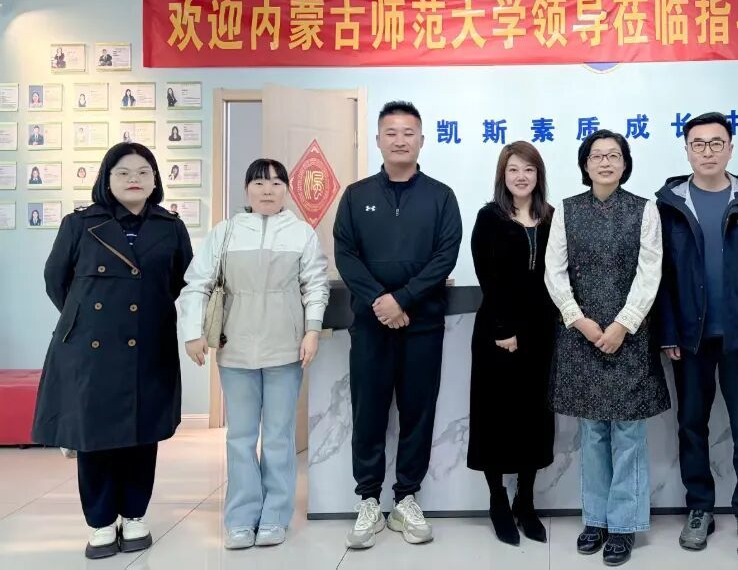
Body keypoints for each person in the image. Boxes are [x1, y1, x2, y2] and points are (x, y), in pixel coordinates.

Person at [31, 142, 193, 560]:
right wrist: (89, 321)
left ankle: (135, 515)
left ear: (155, 180)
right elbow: (56, 281)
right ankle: (101, 521)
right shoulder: (80, 224)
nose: (133, 179)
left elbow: (180, 281)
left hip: (149, 342)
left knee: (143, 433)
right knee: (94, 436)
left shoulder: (171, 227)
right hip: (91, 348)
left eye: (143, 172)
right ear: (106, 179)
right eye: (123, 172)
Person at [655, 111, 738, 561]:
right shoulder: (669, 204)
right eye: (698, 144)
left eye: (717, 143)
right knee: (691, 427)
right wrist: (668, 331)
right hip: (690, 339)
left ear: (731, 149)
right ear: (687, 150)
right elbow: (661, 277)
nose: (708, 151)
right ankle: (700, 508)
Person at [178, 158, 329, 550]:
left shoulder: (300, 233)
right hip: (236, 348)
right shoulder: (226, 232)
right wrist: (192, 333)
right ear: (246, 189)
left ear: (287, 190)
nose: (268, 190)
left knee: (278, 437)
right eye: (259, 182)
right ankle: (241, 518)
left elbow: (315, 285)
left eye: (277, 183)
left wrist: (312, 331)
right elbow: (197, 283)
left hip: (285, 348)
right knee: (241, 437)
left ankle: (275, 516)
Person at [334, 101, 462, 550]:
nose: (400, 140)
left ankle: (407, 497)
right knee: (367, 411)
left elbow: (445, 255)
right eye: (391, 132)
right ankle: (368, 500)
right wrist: (380, 302)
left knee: (417, 412)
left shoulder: (441, 196)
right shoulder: (356, 196)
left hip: (422, 324)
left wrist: (403, 299)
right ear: (378, 140)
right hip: (371, 326)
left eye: (409, 133)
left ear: (422, 140)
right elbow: (346, 254)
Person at [545, 129, 669, 567]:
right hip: (580, 334)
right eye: (596, 156)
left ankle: (624, 525)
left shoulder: (644, 209)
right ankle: (595, 520)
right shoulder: (566, 210)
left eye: (614, 155)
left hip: (628, 337)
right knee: (593, 432)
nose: (605, 162)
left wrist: (623, 323)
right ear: (585, 164)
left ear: (625, 163)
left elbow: (650, 272)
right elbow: (554, 271)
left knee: (628, 433)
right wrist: (577, 318)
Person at [468, 141, 556, 546]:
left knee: (533, 418)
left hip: (541, 333)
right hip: (497, 332)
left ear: (539, 175)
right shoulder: (489, 217)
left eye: (529, 170)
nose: (522, 177)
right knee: (496, 416)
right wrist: (503, 329)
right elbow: (487, 276)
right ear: (503, 176)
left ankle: (526, 500)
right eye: (514, 170)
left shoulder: (551, 217)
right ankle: (497, 500)